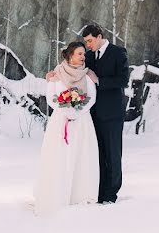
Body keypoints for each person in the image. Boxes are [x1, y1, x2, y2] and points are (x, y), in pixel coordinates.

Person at [34, 42, 99, 215]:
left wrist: (77, 112)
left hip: (82, 122)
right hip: (60, 121)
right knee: (59, 155)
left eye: (84, 54)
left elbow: (91, 98)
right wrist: (66, 110)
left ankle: (79, 194)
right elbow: (51, 97)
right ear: (70, 55)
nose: (83, 57)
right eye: (79, 54)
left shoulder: (87, 75)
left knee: (81, 154)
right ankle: (57, 193)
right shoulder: (56, 74)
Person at [81, 23, 129, 204]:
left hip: (113, 114)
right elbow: (73, 66)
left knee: (113, 154)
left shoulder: (118, 53)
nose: (88, 45)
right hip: (93, 115)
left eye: (90, 41)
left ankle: (111, 193)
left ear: (99, 36)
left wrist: (99, 80)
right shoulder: (89, 56)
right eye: (86, 42)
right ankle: (100, 192)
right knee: (98, 155)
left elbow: (123, 80)